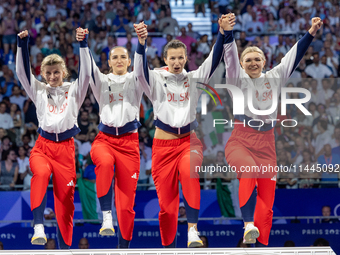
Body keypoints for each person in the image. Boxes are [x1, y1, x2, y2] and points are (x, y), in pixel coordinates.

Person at [133, 14, 235, 248]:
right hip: (162, 148)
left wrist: (221, 33)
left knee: (190, 174)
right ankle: (168, 247)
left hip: (189, 142)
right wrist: (141, 43)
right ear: (165, 58)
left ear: (186, 58)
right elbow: (139, 71)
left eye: (181, 57)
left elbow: (214, 58)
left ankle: (192, 230)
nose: (177, 61)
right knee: (167, 207)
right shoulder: (156, 80)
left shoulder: (195, 78)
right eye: (173, 58)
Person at [223, 17, 323, 246]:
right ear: (241, 63)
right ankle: (248, 224)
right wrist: (227, 34)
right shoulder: (236, 79)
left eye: (257, 58)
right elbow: (229, 59)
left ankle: (260, 246)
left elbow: (293, 57)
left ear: (265, 61)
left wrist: (310, 33)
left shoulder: (275, 77)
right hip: (241, 139)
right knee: (248, 171)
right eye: (248, 59)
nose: (253, 62)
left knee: (267, 204)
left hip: (267, 143)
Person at [16, 29, 91, 249]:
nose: (51, 77)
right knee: (40, 174)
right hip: (43, 147)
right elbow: (22, 73)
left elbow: (86, 74)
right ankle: (38, 226)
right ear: (43, 74)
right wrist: (22, 46)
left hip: (66, 151)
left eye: (56, 72)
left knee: (65, 203)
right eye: (47, 73)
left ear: (64, 72)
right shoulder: (38, 90)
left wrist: (83, 44)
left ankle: (65, 248)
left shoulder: (74, 90)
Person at [76, 28, 143, 248]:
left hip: (130, 144)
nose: (120, 60)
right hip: (104, 140)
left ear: (130, 60)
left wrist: (142, 42)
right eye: (115, 57)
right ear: (109, 61)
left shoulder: (137, 79)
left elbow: (142, 64)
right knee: (104, 163)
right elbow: (88, 67)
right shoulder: (102, 81)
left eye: (124, 56)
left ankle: (124, 247)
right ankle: (106, 216)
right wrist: (83, 43)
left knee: (126, 206)